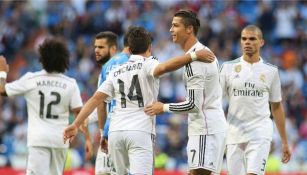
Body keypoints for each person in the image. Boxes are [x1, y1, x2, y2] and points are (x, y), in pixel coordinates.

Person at [63, 26, 215, 175]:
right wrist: (193, 56)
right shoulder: (148, 62)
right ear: (149, 47)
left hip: (116, 133)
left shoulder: (116, 71)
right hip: (140, 131)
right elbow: (163, 68)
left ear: (128, 48)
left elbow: (96, 99)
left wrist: (76, 124)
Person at [144, 10, 226, 175]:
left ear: (189, 29)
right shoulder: (199, 54)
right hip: (208, 126)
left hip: (205, 129)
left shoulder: (196, 61)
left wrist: (163, 108)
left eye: (175, 25)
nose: (170, 30)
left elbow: (193, 105)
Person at [0, 38, 91, 175]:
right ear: (64, 60)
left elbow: (2, 90)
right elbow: (80, 113)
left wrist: (2, 72)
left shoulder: (31, 79)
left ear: (42, 58)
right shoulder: (70, 84)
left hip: (38, 140)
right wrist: (86, 138)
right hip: (60, 140)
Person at [219, 25, 291, 175]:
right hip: (234, 132)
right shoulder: (227, 68)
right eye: (244, 39)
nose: (247, 42)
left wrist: (284, 142)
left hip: (260, 132)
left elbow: (276, 107)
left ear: (261, 42)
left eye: (252, 39)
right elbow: (215, 101)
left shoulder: (271, 71)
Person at [88, 31, 130, 175]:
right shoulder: (128, 63)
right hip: (124, 130)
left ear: (113, 49)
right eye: (95, 47)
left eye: (101, 47)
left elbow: (101, 104)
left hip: (111, 132)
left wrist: (102, 134)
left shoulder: (108, 69)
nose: (96, 51)